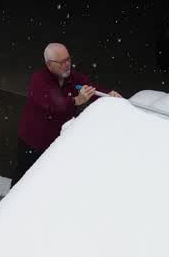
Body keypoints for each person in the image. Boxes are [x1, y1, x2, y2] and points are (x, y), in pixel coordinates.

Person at [13, 42, 122, 182]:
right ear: (49, 64)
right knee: (23, 178)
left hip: (58, 140)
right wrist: (76, 100)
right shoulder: (39, 80)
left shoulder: (72, 77)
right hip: (33, 141)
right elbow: (54, 104)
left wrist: (109, 95)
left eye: (68, 59)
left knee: (47, 178)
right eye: (61, 62)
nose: (67, 64)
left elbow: (91, 89)